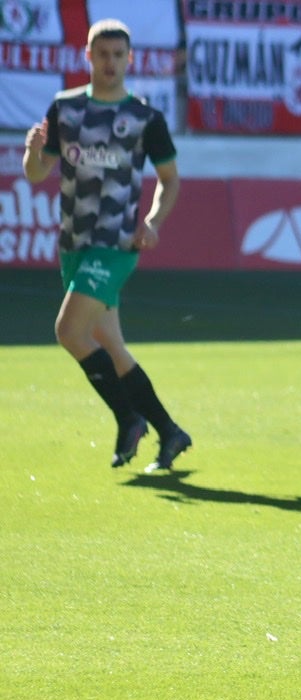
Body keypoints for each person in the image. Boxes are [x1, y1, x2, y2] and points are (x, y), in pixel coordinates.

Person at [22, 19, 192, 472]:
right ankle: (171, 432)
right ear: (88, 56)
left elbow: (170, 181)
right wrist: (32, 152)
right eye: (103, 55)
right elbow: (38, 174)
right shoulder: (66, 108)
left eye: (118, 55)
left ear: (129, 59)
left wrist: (153, 221)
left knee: (69, 333)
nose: (110, 63)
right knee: (110, 346)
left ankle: (127, 417)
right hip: (74, 242)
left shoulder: (144, 118)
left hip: (115, 244)